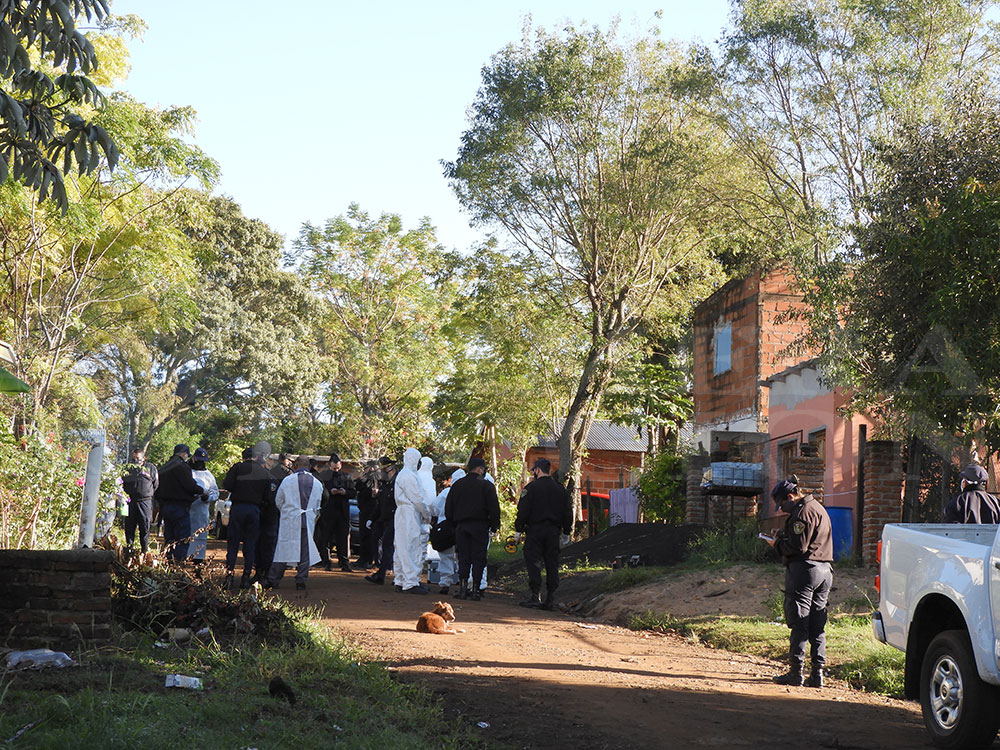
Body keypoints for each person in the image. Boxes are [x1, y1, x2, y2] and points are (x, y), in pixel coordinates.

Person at [767, 475, 833, 688]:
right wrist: (783, 536)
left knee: (800, 621)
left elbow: (799, 548)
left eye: (782, 504)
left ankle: (796, 673)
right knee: (817, 624)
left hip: (805, 572)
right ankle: (818, 674)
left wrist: (776, 544)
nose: (781, 509)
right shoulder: (818, 508)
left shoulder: (801, 513)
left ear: (790, 496)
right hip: (825, 571)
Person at [515, 458, 573, 610]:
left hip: (535, 531)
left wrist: (518, 529)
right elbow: (568, 512)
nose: (533, 473)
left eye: (534, 470)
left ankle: (535, 595)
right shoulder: (560, 489)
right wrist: (567, 531)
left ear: (538, 470)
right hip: (553, 532)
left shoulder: (531, 488)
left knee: (533, 561)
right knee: (552, 563)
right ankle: (550, 598)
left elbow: (523, 511)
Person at [445, 457, 500, 601]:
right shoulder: (487, 486)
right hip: (480, 526)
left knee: (463, 557)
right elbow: (494, 509)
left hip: (462, 526)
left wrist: (453, 524)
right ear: (480, 469)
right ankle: (475, 589)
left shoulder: (458, 485)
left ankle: (462, 588)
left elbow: (449, 507)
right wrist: (494, 526)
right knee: (478, 558)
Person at [265, 455, 323, 590]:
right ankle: (301, 580)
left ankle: (274, 579)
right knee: (305, 550)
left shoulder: (288, 480)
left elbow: (278, 501)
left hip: (290, 519)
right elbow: (318, 504)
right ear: (310, 467)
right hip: (307, 519)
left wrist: (287, 511)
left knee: (283, 548)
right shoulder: (317, 483)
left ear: (295, 466)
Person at [222, 442, 274, 589]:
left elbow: (227, 485)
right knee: (250, 544)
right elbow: (268, 497)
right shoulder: (264, 472)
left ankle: (230, 575)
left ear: (243, 457)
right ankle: (245, 576)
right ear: (256, 457)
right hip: (254, 510)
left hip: (238, 508)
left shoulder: (237, 468)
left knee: (233, 543)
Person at [154, 444, 203, 562]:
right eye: (187, 455)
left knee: (169, 538)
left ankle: (168, 561)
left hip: (166, 507)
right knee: (182, 538)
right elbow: (189, 485)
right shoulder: (182, 467)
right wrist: (200, 490)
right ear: (184, 453)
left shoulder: (164, 467)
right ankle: (178, 565)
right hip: (180, 507)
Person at [393, 447, 430, 594]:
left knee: (401, 547)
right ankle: (410, 583)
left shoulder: (404, 474)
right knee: (410, 546)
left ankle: (401, 580)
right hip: (409, 513)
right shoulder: (408, 475)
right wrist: (426, 514)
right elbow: (417, 498)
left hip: (404, 512)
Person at [316, 452, 357, 572]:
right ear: (330, 465)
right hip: (328, 511)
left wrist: (344, 492)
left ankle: (344, 562)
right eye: (334, 468)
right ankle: (326, 561)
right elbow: (320, 492)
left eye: (338, 467)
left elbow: (352, 492)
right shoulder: (323, 476)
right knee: (325, 538)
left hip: (342, 511)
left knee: (343, 538)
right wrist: (330, 491)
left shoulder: (347, 476)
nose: (336, 469)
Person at [429, 468, 464, 595]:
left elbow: (434, 508)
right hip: (462, 527)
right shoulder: (467, 492)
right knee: (463, 557)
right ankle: (464, 583)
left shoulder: (446, 492)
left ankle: (445, 583)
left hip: (445, 527)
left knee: (446, 556)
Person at [257, 453, 290, 581]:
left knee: (259, 543)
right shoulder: (283, 475)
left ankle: (259, 570)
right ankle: (267, 571)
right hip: (273, 514)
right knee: (270, 543)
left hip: (261, 514)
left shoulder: (269, 474)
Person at [365, 457, 398, 585]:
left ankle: (384, 574)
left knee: (388, 546)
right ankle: (381, 572)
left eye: (386, 470)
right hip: (384, 519)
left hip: (395, 519)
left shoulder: (398, 482)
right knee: (380, 543)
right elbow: (380, 504)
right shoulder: (386, 483)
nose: (383, 473)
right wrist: (371, 519)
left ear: (392, 469)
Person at [121, 447, 158, 556]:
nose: (136, 460)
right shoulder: (128, 468)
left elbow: (155, 485)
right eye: (134, 458)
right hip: (130, 501)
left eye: (138, 458)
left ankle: (144, 550)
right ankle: (129, 549)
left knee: (144, 526)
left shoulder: (151, 468)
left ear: (144, 458)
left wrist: (146, 493)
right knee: (129, 526)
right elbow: (122, 482)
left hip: (145, 501)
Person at [188, 447, 218, 569]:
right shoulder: (186, 472)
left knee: (200, 537)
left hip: (201, 512)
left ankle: (198, 563)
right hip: (187, 510)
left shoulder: (209, 475)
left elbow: (215, 493)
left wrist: (207, 498)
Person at [354, 461, 379, 568]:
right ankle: (363, 558)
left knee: (370, 536)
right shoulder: (364, 480)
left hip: (372, 511)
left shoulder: (378, 479)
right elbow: (357, 486)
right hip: (363, 509)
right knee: (363, 535)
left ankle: (370, 560)